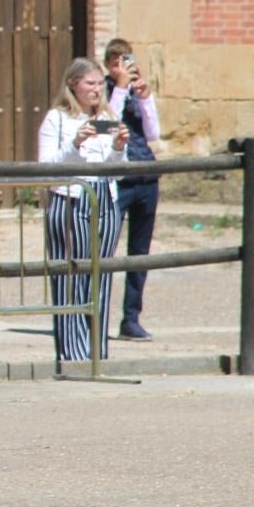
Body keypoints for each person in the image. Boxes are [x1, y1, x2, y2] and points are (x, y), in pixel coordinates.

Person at [37, 56, 129, 362]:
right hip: (69, 199)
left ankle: (96, 352)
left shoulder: (107, 116)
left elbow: (115, 172)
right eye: (90, 83)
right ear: (73, 84)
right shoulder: (57, 119)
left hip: (104, 199)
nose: (96, 89)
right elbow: (46, 168)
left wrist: (118, 149)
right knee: (69, 276)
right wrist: (74, 145)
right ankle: (71, 352)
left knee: (100, 276)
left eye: (101, 83)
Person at [104, 38, 159, 341]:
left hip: (146, 177)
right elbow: (107, 125)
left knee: (140, 253)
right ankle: (96, 315)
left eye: (125, 62)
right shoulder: (101, 92)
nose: (121, 69)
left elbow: (153, 132)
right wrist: (121, 89)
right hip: (118, 181)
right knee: (106, 249)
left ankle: (131, 318)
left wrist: (146, 98)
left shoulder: (137, 93)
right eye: (115, 63)